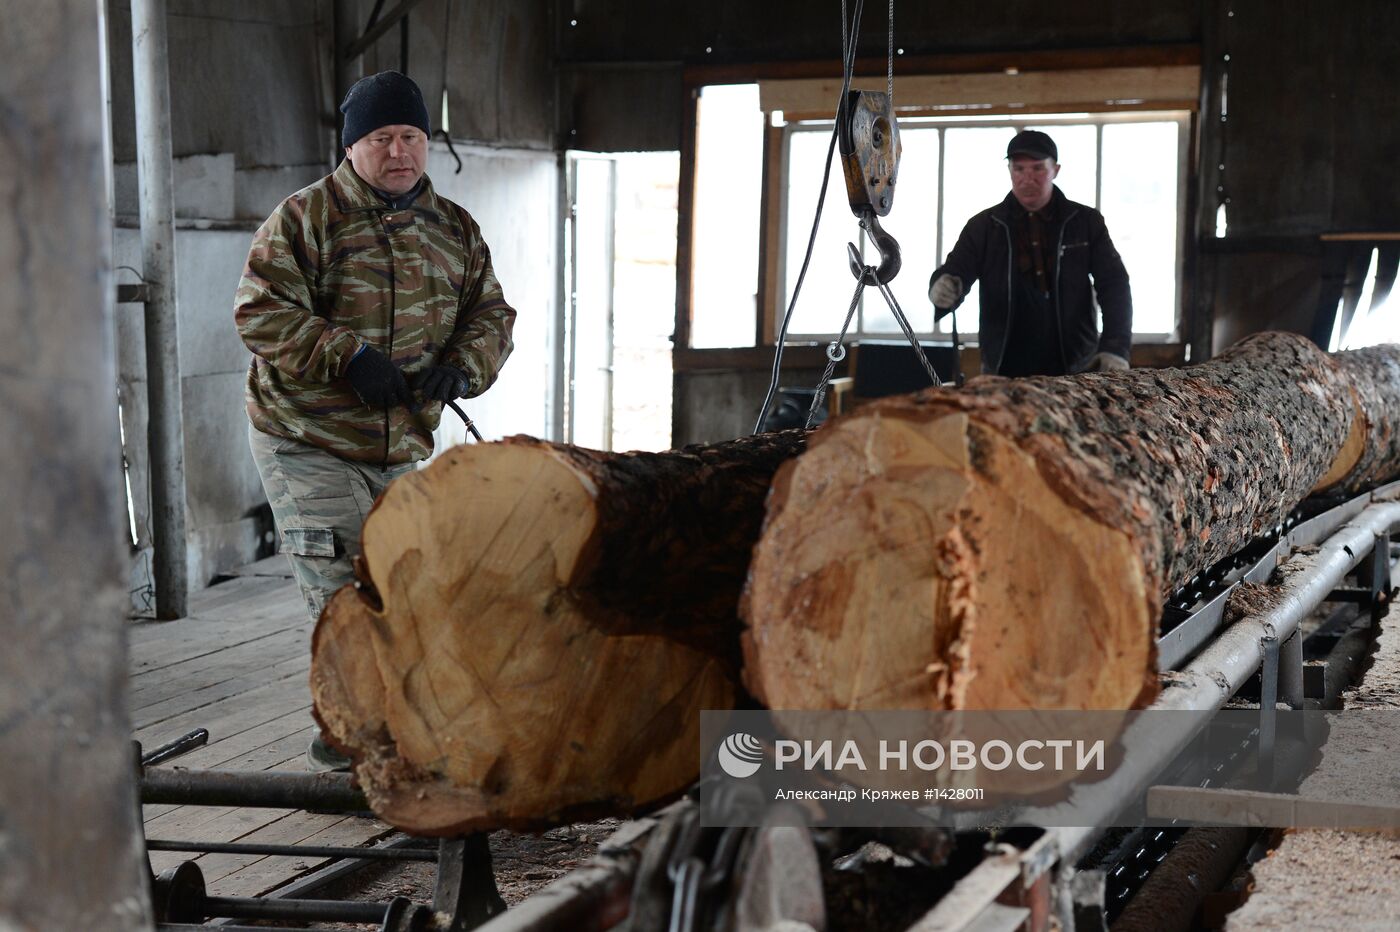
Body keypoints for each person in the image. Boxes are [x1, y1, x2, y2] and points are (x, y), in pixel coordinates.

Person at [234, 71, 515, 770]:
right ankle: (357, 740)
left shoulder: (453, 228)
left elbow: (491, 314)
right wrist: (346, 356)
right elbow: (259, 311)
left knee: (406, 579)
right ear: (353, 145)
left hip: (399, 445)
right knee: (344, 586)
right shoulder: (304, 218)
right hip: (308, 435)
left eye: (412, 137)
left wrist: (464, 367)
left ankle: (381, 726)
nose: (399, 152)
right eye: (382, 138)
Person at [928, 130, 1132, 377]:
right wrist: (943, 286)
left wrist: (1115, 347)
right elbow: (955, 272)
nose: (1027, 178)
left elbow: (1114, 284)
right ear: (1010, 171)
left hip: (1075, 364)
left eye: (1037, 169)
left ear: (1055, 170)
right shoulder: (983, 226)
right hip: (1004, 365)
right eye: (1019, 169)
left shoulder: (1086, 223)